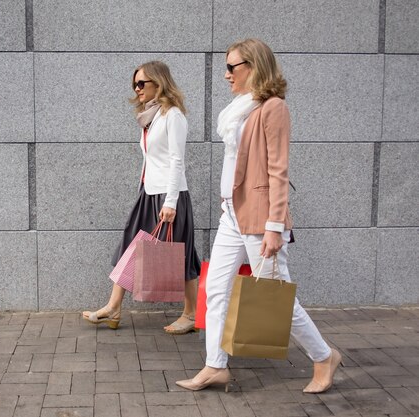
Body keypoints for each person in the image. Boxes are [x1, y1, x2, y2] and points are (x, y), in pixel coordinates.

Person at [176, 39, 342, 393]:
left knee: (275, 297)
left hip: (259, 217)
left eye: (232, 67)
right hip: (231, 215)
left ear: (253, 67)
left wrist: (274, 227)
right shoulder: (240, 107)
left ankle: (324, 356)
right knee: (216, 290)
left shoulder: (272, 108)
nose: (226, 75)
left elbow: (278, 172)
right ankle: (215, 366)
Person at [82, 61, 201, 334]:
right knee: (130, 245)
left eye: (141, 84)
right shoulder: (150, 118)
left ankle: (191, 314)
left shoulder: (173, 116)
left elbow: (176, 162)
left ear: (159, 83)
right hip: (148, 192)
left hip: (169, 196)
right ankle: (113, 307)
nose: (137, 90)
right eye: (134, 84)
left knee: (181, 253)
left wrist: (170, 202)